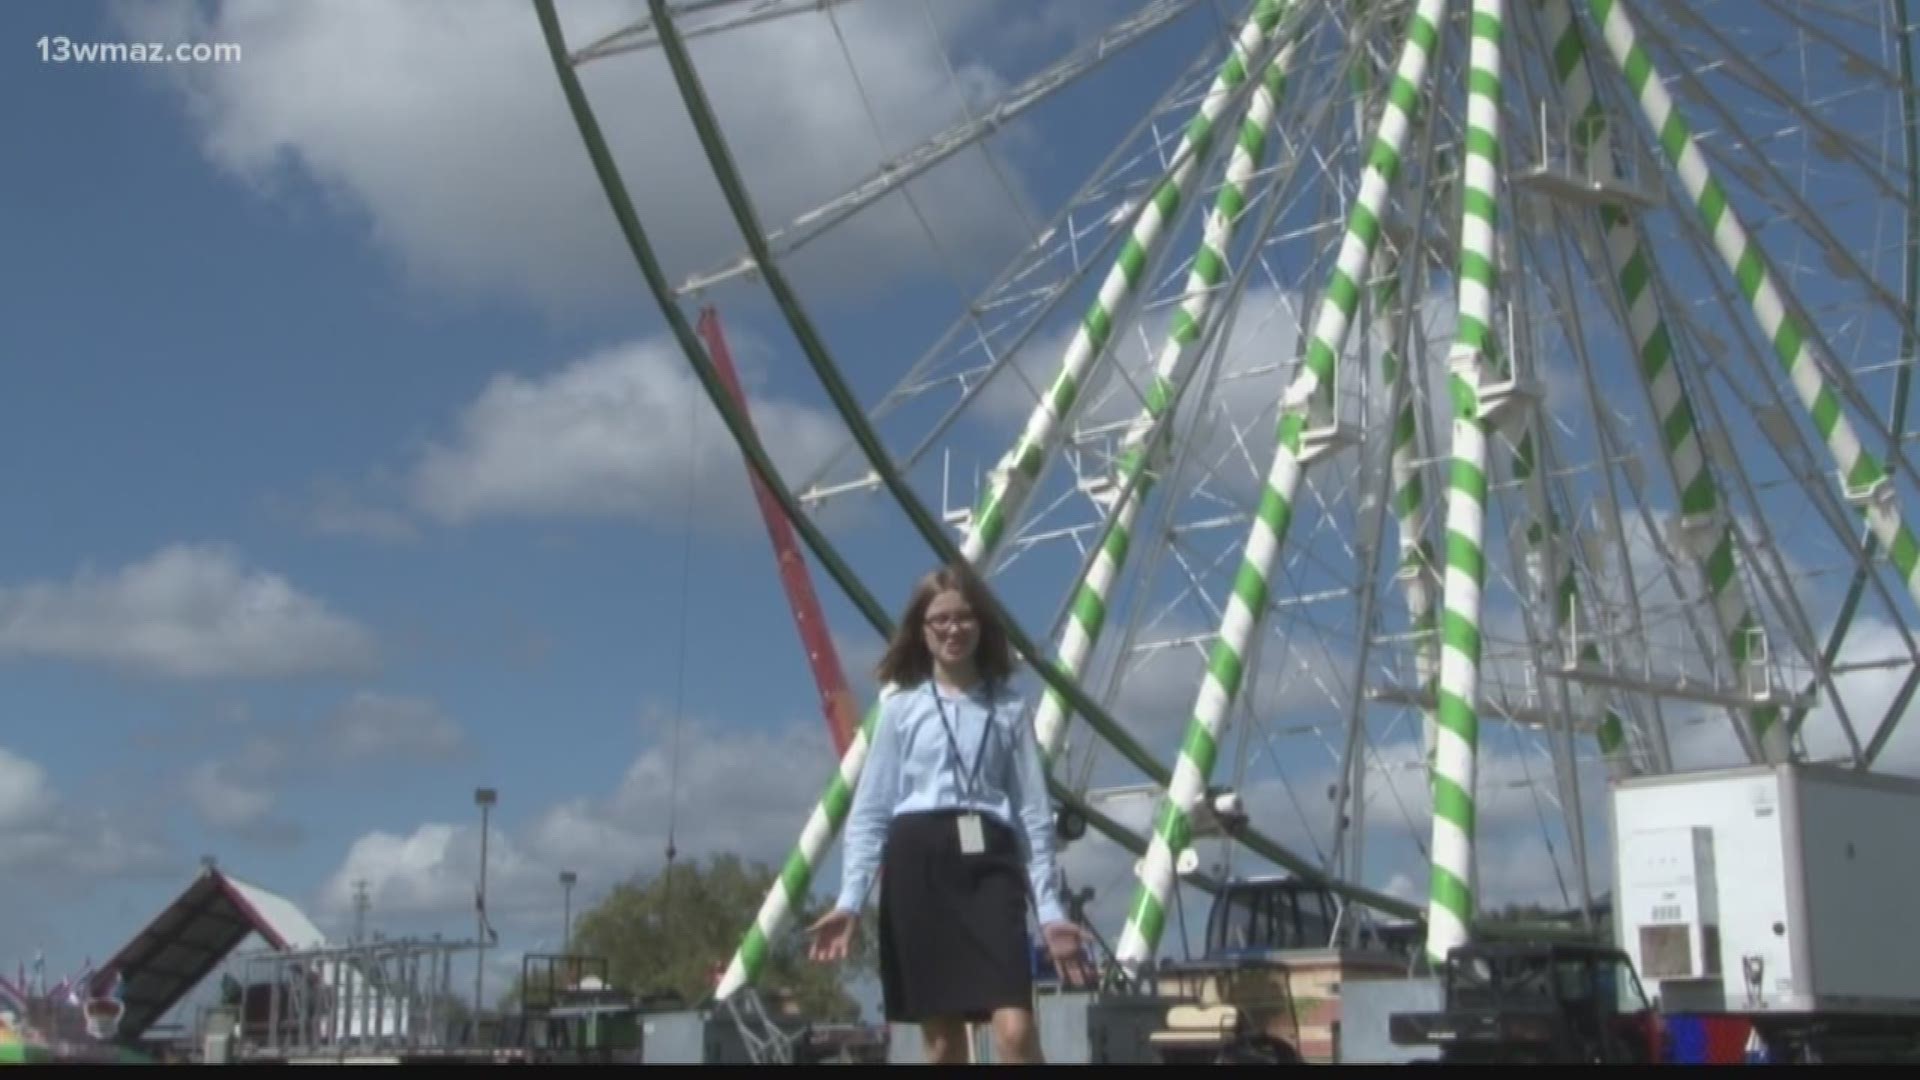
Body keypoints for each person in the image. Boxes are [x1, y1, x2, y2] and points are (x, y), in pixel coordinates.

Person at [806, 563, 1094, 1064]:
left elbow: (1032, 813)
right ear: (922, 631)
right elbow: (872, 810)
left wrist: (1049, 911)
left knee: (1014, 1031)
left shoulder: (1008, 710)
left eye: (963, 617)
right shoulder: (900, 709)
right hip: (920, 866)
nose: (952, 629)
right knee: (940, 1045)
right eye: (939, 619)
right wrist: (851, 900)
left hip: (990, 867)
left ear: (982, 626)